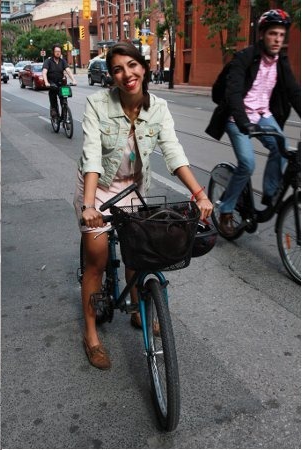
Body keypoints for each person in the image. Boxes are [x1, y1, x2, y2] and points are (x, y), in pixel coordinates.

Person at [73, 42, 213, 370]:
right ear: (112, 76)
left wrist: (199, 194)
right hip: (97, 187)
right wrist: (89, 205)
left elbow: (173, 152)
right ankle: (91, 335)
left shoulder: (159, 108)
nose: (127, 74)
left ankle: (139, 309)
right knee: (96, 258)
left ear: (144, 67)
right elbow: (92, 155)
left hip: (132, 187)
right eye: (118, 69)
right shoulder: (97, 104)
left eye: (132, 65)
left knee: (140, 250)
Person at [205, 9, 300, 237]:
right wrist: (243, 122)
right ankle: (226, 209)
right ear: (262, 35)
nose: (277, 39)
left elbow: (294, 93)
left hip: (263, 114)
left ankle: (270, 194)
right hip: (238, 117)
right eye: (273, 34)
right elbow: (233, 93)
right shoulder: (245, 57)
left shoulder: (280, 62)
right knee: (247, 164)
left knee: (282, 147)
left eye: (281, 35)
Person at [42, 44, 77, 118]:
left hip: (61, 84)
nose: (58, 53)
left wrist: (73, 80)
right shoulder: (48, 61)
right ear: (53, 52)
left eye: (59, 51)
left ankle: (64, 117)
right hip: (52, 84)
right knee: (53, 100)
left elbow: (68, 70)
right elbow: (44, 72)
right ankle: (54, 112)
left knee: (64, 101)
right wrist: (46, 82)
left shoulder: (63, 61)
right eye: (56, 51)